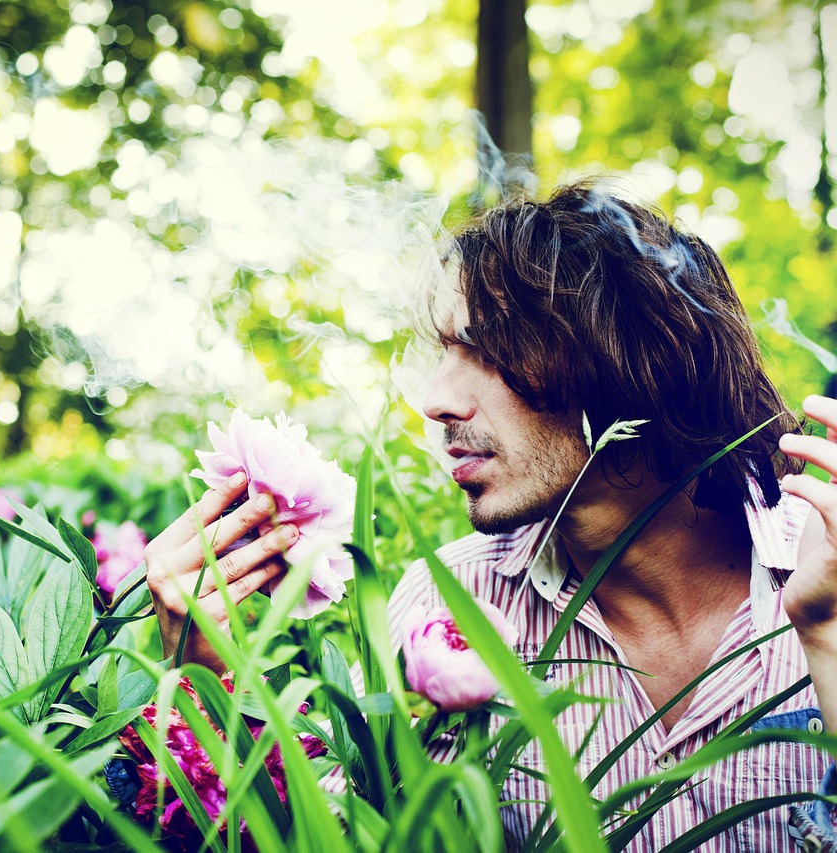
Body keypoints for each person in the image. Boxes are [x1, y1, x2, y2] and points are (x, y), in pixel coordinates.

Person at [143, 182, 837, 851]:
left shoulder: (824, 570)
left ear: (636, 359)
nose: (437, 400)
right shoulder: (443, 603)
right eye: (446, 352)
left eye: (491, 349)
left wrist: (830, 638)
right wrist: (213, 685)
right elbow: (329, 829)